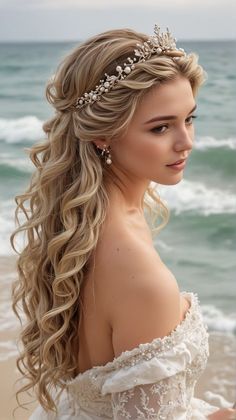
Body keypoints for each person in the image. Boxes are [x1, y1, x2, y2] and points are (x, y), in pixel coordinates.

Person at [10, 24, 236, 420]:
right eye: (161, 127)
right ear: (103, 135)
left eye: (190, 118)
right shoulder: (141, 276)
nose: (186, 142)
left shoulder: (83, 223)